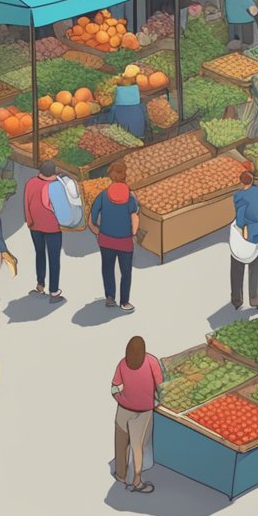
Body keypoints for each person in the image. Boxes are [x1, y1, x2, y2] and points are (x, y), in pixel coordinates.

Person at [111, 336, 162, 494]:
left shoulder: (122, 363)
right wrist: (157, 401)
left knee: (121, 444)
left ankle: (121, 475)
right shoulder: (151, 361)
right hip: (143, 412)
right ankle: (137, 482)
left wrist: (120, 398)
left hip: (123, 410)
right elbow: (160, 385)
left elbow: (114, 387)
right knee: (137, 446)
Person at [89, 162, 139, 312]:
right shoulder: (130, 197)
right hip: (124, 241)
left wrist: (97, 231)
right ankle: (124, 302)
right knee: (126, 272)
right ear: (124, 175)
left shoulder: (103, 195)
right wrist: (134, 234)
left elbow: (92, 216)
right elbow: (134, 217)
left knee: (107, 268)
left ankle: (110, 297)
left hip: (106, 240)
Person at [230, 172, 258, 310]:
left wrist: (242, 227)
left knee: (237, 265)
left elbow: (240, 214)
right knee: (255, 266)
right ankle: (254, 298)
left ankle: (237, 299)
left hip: (243, 232)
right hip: (256, 231)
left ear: (241, 181)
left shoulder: (237, 196)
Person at [24, 160, 63, 301]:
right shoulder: (56, 186)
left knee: (39, 253)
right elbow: (61, 208)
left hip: (34, 226)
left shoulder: (30, 183)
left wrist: (29, 221)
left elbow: (26, 203)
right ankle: (53, 291)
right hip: (53, 228)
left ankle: (40, 285)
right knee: (54, 258)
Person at [111, 66, 147, 139]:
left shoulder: (116, 107)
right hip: (139, 131)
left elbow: (111, 119)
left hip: (124, 135)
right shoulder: (139, 105)